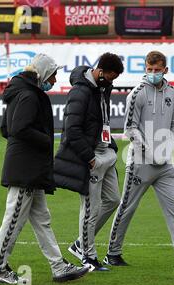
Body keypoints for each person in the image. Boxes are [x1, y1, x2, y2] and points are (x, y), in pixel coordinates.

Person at [0, 53, 89, 285]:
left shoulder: (21, 93)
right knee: (13, 220)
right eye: (54, 74)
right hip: (25, 170)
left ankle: (58, 267)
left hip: (29, 169)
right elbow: (18, 128)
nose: (55, 80)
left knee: (42, 220)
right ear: (44, 74)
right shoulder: (29, 95)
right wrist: (46, 140)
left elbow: (7, 129)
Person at [103, 51, 174, 269]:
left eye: (157, 70)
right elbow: (129, 129)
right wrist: (148, 151)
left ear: (165, 70)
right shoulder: (137, 94)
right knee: (127, 208)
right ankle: (112, 253)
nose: (153, 74)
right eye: (149, 70)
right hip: (140, 163)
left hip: (165, 164)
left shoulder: (172, 92)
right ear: (145, 69)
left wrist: (171, 144)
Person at [54, 53, 124, 272]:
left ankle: (79, 245)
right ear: (101, 71)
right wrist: (89, 157)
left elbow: (102, 121)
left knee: (113, 200)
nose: (113, 82)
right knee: (90, 208)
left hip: (106, 153)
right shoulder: (80, 91)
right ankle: (89, 258)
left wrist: (110, 145)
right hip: (92, 156)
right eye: (111, 77)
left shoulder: (103, 88)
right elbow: (71, 129)